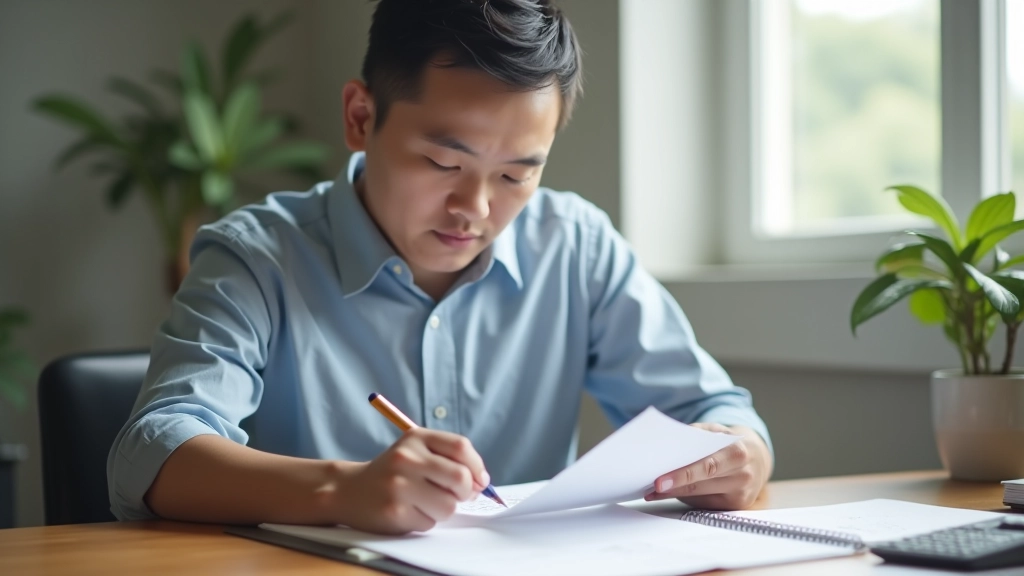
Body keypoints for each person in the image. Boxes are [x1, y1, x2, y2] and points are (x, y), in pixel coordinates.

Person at [108, 0, 773, 535]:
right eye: (443, 164)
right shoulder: (257, 257)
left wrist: (742, 453)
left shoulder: (576, 246)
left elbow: (714, 412)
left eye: (516, 174)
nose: (475, 208)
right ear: (360, 117)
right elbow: (154, 454)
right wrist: (345, 489)